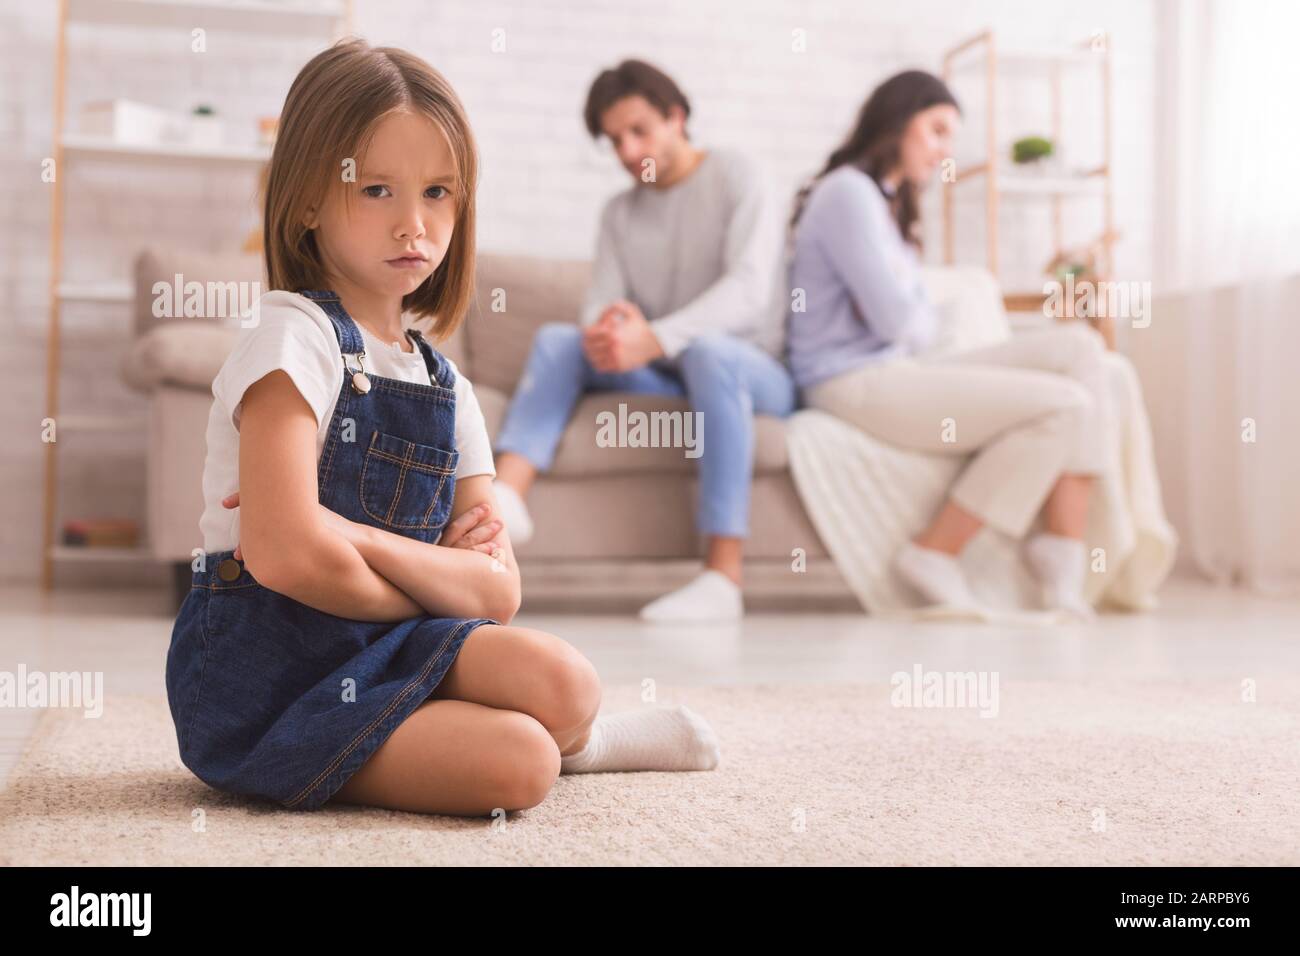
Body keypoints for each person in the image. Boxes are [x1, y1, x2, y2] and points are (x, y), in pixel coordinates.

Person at [165, 39, 719, 819]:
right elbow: (286, 556)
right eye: (379, 190)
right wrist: (431, 581)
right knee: (520, 765)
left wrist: (351, 536)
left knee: (567, 681)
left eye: (438, 193)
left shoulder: (444, 385)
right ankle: (572, 747)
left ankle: (578, 733)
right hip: (266, 679)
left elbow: (497, 590)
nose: (413, 225)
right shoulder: (291, 340)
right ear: (308, 200)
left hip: (392, 647)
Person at [787, 70, 1113, 619]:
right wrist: (911, 315)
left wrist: (910, 314)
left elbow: (910, 319)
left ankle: (1062, 553)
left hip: (898, 366)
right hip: (849, 380)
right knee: (1065, 405)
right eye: (936, 130)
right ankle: (933, 553)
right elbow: (901, 323)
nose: (944, 151)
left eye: (950, 138)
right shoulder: (847, 192)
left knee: (1081, 349)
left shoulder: (887, 205)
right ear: (896, 120)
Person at [491, 59, 795, 623]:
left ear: (676, 118)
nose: (627, 152)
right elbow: (597, 303)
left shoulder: (738, 175)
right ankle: (506, 498)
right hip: (669, 374)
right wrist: (612, 326)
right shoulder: (619, 213)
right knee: (561, 340)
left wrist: (654, 337)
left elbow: (749, 290)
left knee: (709, 353)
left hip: (750, 370)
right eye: (614, 140)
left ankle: (722, 577)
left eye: (638, 132)